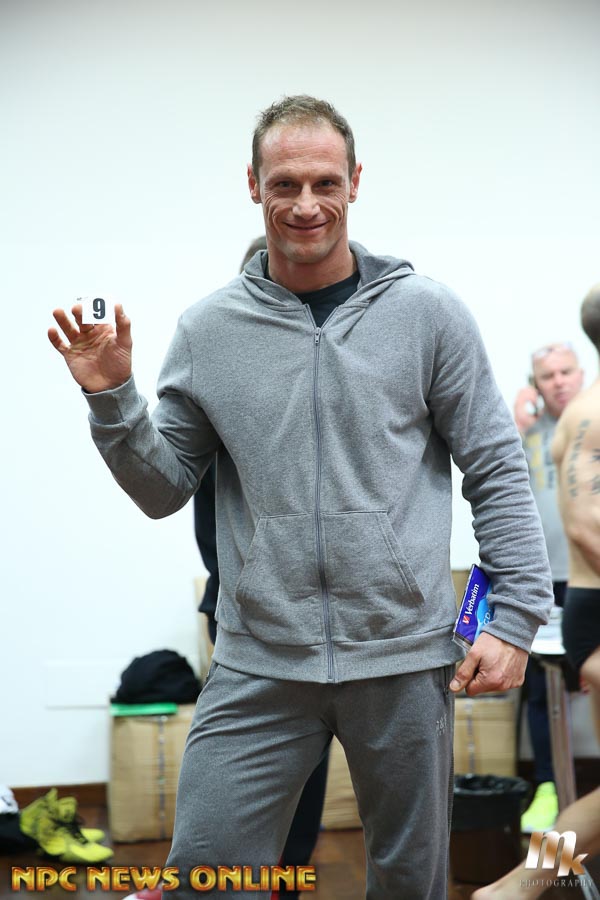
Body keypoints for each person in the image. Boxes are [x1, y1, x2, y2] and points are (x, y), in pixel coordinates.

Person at [48, 95, 553, 899]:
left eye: (325, 182)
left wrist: (515, 616)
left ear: (356, 181)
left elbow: (494, 465)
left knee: (408, 882)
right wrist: (112, 399)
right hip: (259, 661)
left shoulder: (428, 315)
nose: (306, 204)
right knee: (207, 875)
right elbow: (163, 488)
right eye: (285, 183)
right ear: (253, 185)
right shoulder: (209, 330)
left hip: (402, 657)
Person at [193, 236, 329, 900]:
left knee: (310, 769)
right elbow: (195, 502)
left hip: (332, 622)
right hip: (246, 612)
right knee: (242, 778)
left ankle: (287, 882)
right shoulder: (223, 366)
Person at [471, 285, 600, 899]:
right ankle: (516, 886)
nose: (558, 382)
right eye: (548, 375)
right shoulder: (589, 415)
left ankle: (516, 888)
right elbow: (585, 523)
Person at [513, 344, 584, 833]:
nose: (558, 381)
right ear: (534, 384)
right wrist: (515, 426)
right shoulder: (526, 432)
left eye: (566, 371)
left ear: (581, 373)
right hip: (542, 579)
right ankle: (548, 787)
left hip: (589, 576)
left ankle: (578, 811)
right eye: (547, 375)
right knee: (542, 690)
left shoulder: (592, 422)